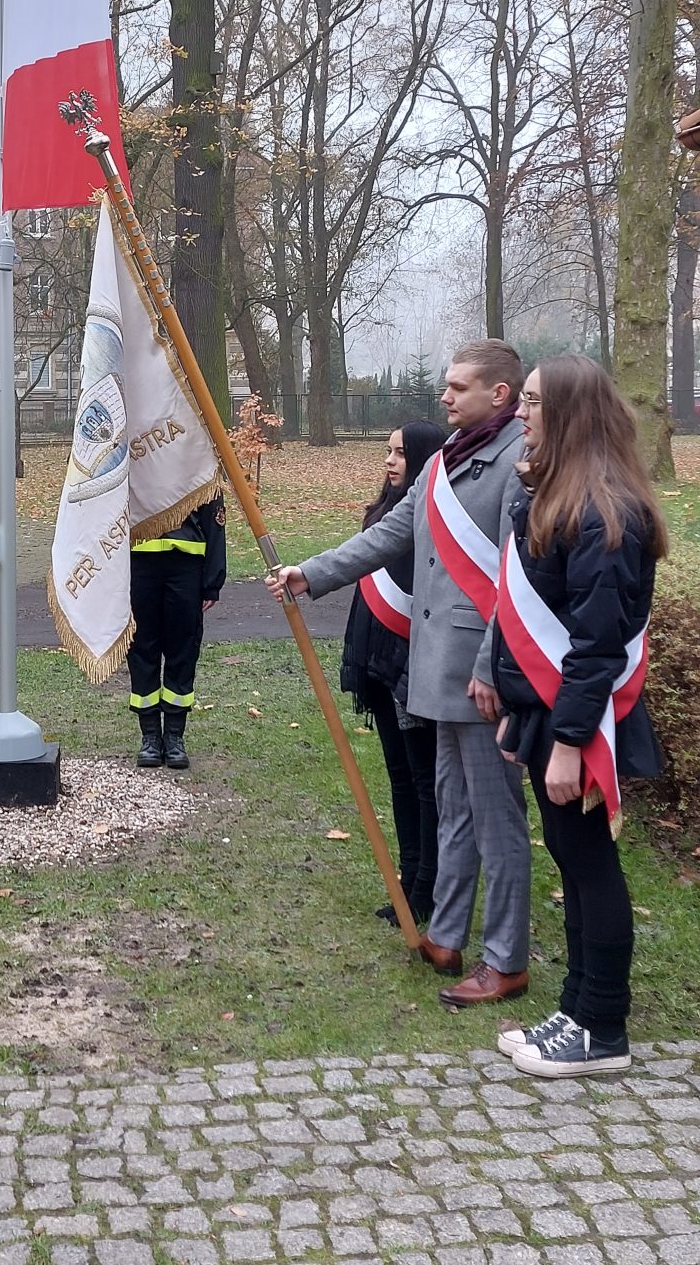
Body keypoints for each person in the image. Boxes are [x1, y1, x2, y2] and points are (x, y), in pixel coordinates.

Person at [267, 340, 530, 1007]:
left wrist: (489, 667)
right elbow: (389, 536)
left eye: (459, 387)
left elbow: (513, 579)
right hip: (432, 668)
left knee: (497, 822)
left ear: (499, 394)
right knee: (454, 813)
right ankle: (446, 933)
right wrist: (312, 573)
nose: (445, 397)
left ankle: (507, 959)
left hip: (479, 675)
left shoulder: (519, 460)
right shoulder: (446, 458)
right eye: (446, 385)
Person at [490, 356, 667, 1078]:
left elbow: (594, 646)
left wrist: (567, 743)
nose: (521, 413)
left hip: (583, 722)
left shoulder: (607, 512)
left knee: (592, 866)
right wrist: (520, 716)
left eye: (532, 402)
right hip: (554, 714)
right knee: (571, 857)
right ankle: (576, 1008)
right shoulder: (562, 495)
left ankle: (603, 1028)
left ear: (566, 413)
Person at [340, 420, 447, 927]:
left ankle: (429, 886)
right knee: (400, 778)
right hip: (380, 663)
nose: (389, 461)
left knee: (425, 781)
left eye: (401, 454)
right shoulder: (382, 513)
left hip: (415, 668)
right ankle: (409, 879)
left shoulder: (435, 518)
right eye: (388, 451)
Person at [129, 493, 226, 770]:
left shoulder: (197, 453)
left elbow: (215, 515)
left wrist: (212, 581)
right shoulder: (134, 450)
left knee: (182, 650)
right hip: (138, 560)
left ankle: (174, 737)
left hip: (186, 564)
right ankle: (149, 737)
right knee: (140, 649)